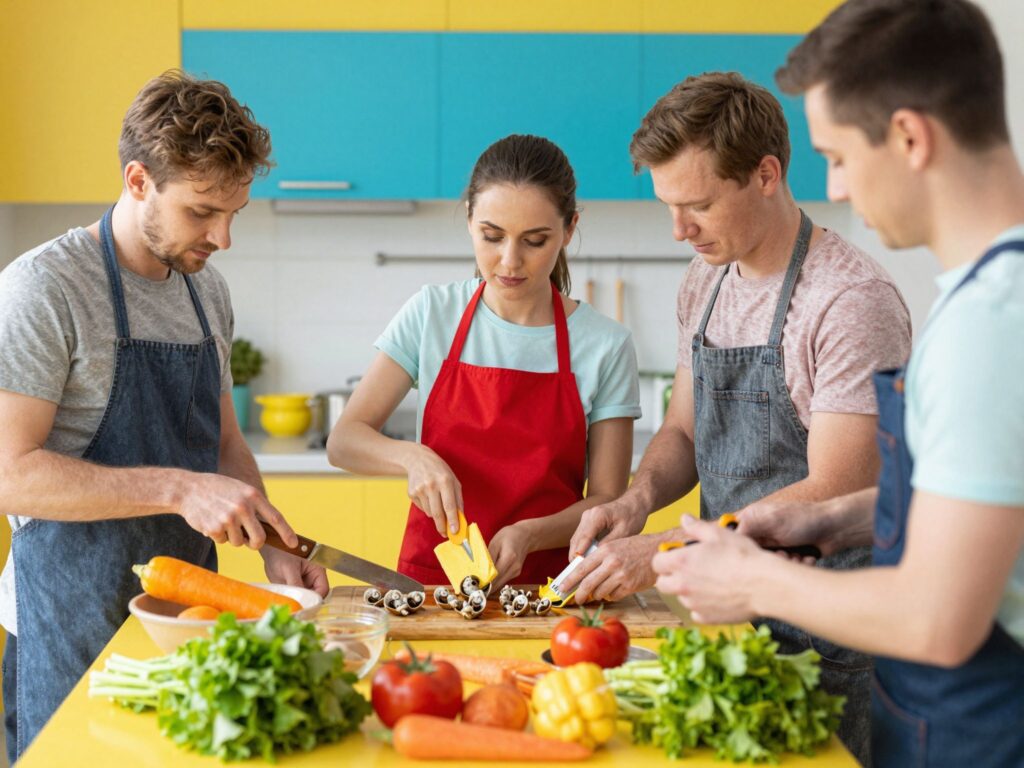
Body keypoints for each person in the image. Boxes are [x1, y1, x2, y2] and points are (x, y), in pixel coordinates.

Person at [652, 1, 1024, 766]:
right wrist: (840, 522)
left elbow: (938, 618)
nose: (840, 187)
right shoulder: (989, 297)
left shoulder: (989, 320)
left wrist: (753, 580)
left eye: (841, 155)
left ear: (909, 137)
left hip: (979, 726)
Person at [563, 71, 912, 764]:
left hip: (826, 634)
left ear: (766, 174)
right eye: (668, 206)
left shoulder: (848, 302)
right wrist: (635, 502)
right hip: (726, 618)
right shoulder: (707, 278)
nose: (678, 230)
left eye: (696, 205)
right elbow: (684, 432)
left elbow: (838, 488)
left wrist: (661, 554)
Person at [0, 71, 326, 761]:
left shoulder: (207, 291)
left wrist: (274, 542)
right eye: (204, 212)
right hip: (69, 626)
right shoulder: (44, 288)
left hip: (190, 627)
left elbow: (227, 444)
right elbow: (10, 474)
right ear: (139, 180)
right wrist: (178, 488)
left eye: (235, 212)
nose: (224, 237)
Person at [328, 134, 641, 588]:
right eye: (491, 237)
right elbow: (344, 442)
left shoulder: (605, 345)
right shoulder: (431, 313)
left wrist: (530, 534)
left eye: (535, 241)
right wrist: (412, 458)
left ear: (569, 229)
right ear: (470, 219)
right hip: (432, 584)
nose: (509, 262)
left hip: (551, 588)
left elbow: (609, 502)